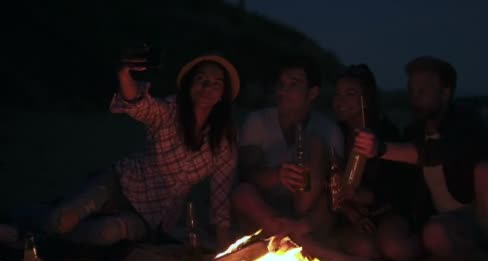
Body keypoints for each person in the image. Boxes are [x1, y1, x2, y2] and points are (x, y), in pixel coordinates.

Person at [353, 56, 488, 261]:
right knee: (428, 237)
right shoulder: (414, 131)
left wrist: (381, 149)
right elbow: (405, 182)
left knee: (486, 170)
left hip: (484, 216)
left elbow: (434, 153)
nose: (415, 95)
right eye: (412, 88)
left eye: (424, 89)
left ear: (445, 92)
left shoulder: (467, 122)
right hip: (447, 223)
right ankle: (487, 259)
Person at [45, 53, 240, 249]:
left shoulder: (223, 139)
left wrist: (224, 249)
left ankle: (66, 236)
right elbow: (140, 105)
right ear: (189, 84)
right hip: (120, 184)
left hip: (152, 217)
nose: (207, 87)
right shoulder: (170, 110)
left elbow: (220, 194)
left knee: (106, 233)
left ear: (222, 93)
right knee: (64, 219)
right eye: (201, 79)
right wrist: (124, 74)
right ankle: (39, 229)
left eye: (216, 83)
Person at [232, 55, 344, 241]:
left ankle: (292, 233)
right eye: (281, 84)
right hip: (266, 211)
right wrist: (277, 175)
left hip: (310, 216)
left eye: (294, 84)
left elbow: (337, 187)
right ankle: (293, 237)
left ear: (312, 93)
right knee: (242, 193)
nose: (283, 90)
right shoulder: (258, 121)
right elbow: (247, 174)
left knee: (316, 146)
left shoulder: (328, 129)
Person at [332, 64, 422, 261]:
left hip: (386, 210)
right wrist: (353, 213)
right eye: (337, 94)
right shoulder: (334, 134)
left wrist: (360, 196)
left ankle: (428, 247)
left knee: (395, 248)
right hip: (349, 213)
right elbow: (330, 187)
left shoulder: (384, 134)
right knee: (367, 250)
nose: (340, 101)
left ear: (367, 98)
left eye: (350, 94)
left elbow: (397, 191)